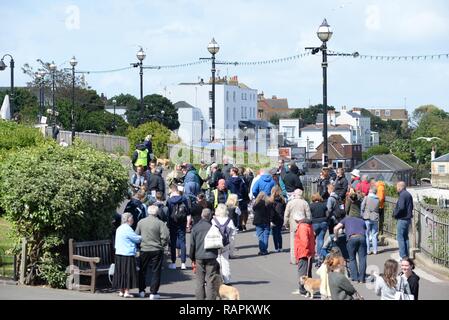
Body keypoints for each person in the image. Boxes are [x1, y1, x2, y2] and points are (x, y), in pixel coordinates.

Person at [135, 205, 169, 300]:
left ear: (148, 212)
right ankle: (153, 292)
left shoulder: (141, 222)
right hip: (156, 249)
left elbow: (136, 235)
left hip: (144, 249)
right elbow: (165, 236)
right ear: (157, 212)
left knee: (142, 270)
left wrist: (140, 244)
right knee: (156, 271)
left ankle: (141, 290)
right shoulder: (160, 223)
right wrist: (162, 244)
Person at [334, 193, 367, 283]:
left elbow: (336, 228)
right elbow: (365, 229)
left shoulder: (346, 219)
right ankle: (362, 278)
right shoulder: (361, 220)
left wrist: (336, 237)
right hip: (362, 237)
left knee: (352, 259)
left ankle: (355, 277)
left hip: (351, 238)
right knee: (362, 258)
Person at [190, 208, 220, 300]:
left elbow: (192, 245)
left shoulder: (195, 228)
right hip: (211, 256)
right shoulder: (214, 227)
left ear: (201, 216)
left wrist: (192, 258)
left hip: (199, 256)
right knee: (211, 280)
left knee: (199, 281)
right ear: (210, 216)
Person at [113, 212, 141, 298]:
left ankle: (121, 291)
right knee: (128, 273)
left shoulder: (119, 228)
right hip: (127, 254)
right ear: (128, 219)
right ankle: (126, 292)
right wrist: (144, 236)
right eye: (131, 218)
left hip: (119, 253)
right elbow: (136, 239)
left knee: (121, 273)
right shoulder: (128, 229)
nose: (133, 220)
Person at [212, 204, 237, 284]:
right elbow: (233, 234)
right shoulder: (229, 221)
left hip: (215, 244)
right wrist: (231, 247)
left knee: (216, 261)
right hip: (225, 244)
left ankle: (217, 279)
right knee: (225, 261)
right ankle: (227, 280)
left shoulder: (213, 220)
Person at [284, 189, 311, 264]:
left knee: (293, 243)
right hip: (303, 225)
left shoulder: (290, 203)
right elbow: (308, 215)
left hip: (293, 225)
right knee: (303, 242)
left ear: (295, 194)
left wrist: (286, 224)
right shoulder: (305, 203)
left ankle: (294, 259)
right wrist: (309, 224)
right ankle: (302, 258)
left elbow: (286, 215)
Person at [167, 184, 190, 270]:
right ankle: (183, 263)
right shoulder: (184, 199)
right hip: (182, 222)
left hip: (173, 222)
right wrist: (187, 224)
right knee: (182, 241)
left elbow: (168, 213)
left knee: (173, 242)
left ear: (172, 191)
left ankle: (173, 263)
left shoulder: (169, 201)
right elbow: (188, 212)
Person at [294, 213, 316, 296]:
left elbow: (304, 241)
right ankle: (309, 289)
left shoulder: (302, 226)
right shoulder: (307, 225)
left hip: (304, 252)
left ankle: (303, 289)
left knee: (303, 272)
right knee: (307, 272)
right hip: (307, 251)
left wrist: (304, 250)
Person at [393, 181, 414, 259]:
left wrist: (395, 214)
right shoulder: (408, 194)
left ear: (400, 187)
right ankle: (407, 255)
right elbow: (411, 207)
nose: (396, 188)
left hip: (402, 219)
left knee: (400, 238)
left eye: (397, 187)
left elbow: (401, 207)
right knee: (406, 237)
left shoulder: (402, 195)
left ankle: (402, 256)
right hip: (408, 219)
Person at [310, 193, 328, 265]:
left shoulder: (311, 206)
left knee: (312, 239)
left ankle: (312, 254)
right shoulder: (324, 205)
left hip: (314, 223)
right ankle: (319, 255)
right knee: (320, 239)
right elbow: (327, 213)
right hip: (323, 222)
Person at [361, 187, 380, 255]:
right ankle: (375, 250)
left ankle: (368, 250)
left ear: (370, 192)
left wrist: (362, 214)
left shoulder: (366, 198)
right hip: (375, 217)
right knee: (374, 234)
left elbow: (362, 206)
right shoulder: (377, 199)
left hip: (367, 217)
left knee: (367, 234)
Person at [267, 186, 286, 253]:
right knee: (279, 233)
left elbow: (271, 211)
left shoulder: (271, 200)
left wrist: (270, 220)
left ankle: (276, 247)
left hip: (274, 218)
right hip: (281, 218)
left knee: (274, 234)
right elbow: (284, 209)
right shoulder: (282, 200)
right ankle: (280, 247)